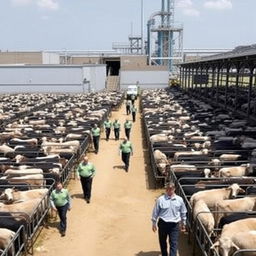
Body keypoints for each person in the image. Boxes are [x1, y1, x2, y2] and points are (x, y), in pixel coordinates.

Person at [151, 183, 187, 256]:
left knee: (174, 243)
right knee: (162, 242)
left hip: (174, 225)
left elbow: (183, 212)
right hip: (163, 224)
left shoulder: (179, 200)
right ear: (166, 190)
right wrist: (154, 223)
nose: (169, 191)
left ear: (174, 189)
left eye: (171, 189)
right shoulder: (160, 199)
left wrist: (183, 223)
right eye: (167, 189)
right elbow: (155, 212)